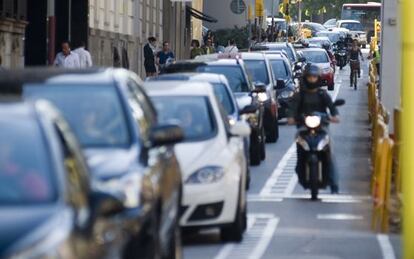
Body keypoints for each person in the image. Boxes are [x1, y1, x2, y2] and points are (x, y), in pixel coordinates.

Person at [287, 64, 340, 193]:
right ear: (306, 78)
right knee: (299, 150)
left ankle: (334, 183)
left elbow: (332, 108)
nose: (312, 79)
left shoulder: (323, 94)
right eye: (310, 77)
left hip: (321, 128)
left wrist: (334, 116)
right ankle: (300, 169)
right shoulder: (299, 95)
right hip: (303, 129)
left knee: (330, 153)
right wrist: (291, 118)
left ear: (318, 78)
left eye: (314, 77)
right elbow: (292, 108)